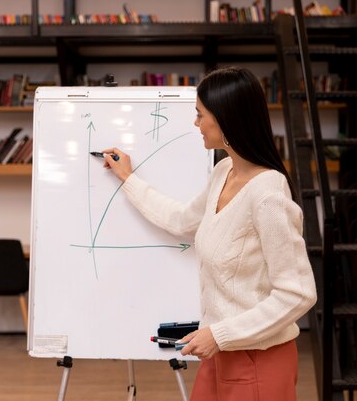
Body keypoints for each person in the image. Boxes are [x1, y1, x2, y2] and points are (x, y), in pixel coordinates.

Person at [101, 66, 317, 400]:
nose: (195, 123)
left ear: (227, 119)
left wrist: (220, 334)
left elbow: (298, 293)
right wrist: (128, 178)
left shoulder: (268, 196)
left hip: (256, 359)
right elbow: (180, 218)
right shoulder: (224, 171)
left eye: (201, 115)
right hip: (220, 354)